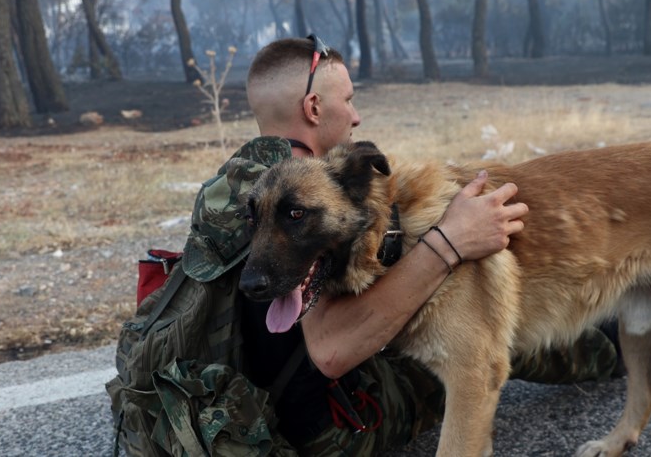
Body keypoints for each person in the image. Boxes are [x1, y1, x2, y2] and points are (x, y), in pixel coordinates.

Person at [215, 36, 621, 454]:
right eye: (349, 100)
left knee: (474, 319)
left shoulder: (248, 181)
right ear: (314, 107)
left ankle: (612, 326)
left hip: (266, 398)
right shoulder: (289, 189)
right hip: (330, 420)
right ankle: (611, 341)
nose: (356, 117)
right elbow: (332, 351)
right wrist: (450, 242)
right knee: (475, 343)